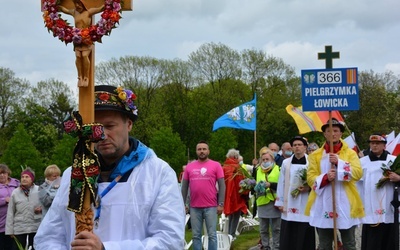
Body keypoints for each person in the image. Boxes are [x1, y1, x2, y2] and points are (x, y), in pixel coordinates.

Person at [34, 85, 185, 249]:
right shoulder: (74, 174)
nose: (102, 135)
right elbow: (47, 238)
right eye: (95, 128)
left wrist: (107, 248)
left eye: (110, 126)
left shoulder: (157, 173)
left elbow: (170, 240)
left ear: (128, 124)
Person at [305, 118, 364, 250]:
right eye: (329, 131)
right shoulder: (315, 155)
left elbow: (358, 173)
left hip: (346, 202)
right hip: (323, 203)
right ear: (324, 133)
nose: (332, 134)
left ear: (341, 133)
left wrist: (340, 163)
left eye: (336, 130)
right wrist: (326, 177)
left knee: (349, 243)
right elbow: (310, 178)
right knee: (324, 244)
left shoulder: (350, 153)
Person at [181, 141, 226, 250]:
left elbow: (222, 185)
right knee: (196, 235)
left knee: (212, 235)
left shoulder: (216, 165)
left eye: (204, 149)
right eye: (199, 149)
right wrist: (182, 204)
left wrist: (221, 203)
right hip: (194, 206)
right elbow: (184, 187)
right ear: (196, 151)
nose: (202, 151)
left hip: (211, 206)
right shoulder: (189, 167)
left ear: (208, 151)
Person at [275, 136, 315, 250]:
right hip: (289, 202)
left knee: (305, 234)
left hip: (305, 201)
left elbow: (315, 179)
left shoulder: (311, 162)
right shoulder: (286, 163)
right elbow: (281, 182)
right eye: (295, 145)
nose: (297, 147)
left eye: (299, 145)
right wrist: (280, 202)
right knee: (289, 234)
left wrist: (309, 187)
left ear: (305, 147)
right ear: (292, 148)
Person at [359, 134, 398, 250]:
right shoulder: (362, 162)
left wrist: (398, 178)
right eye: (372, 143)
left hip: (389, 204)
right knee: (372, 241)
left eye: (378, 143)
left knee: (389, 239)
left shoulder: (393, 160)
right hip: (370, 204)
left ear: (384, 145)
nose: (374, 145)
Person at [58, 0, 104, 87]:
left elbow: (100, 8)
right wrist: (53, 5)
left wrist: (111, 3)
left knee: (84, 56)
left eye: (79, 4)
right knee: (78, 56)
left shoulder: (88, 12)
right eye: (75, 4)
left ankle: (86, 77)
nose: (77, 6)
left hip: (87, 38)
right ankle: (80, 77)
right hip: (77, 38)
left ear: (83, 4)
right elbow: (64, 10)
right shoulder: (74, 12)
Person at [6, 167, 41, 250]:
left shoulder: (39, 190)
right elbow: (10, 212)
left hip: (35, 227)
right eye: (22, 177)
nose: (24, 179)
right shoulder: (15, 192)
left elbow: (46, 205)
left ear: (32, 179)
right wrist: (10, 231)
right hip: (19, 228)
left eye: (27, 177)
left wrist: (41, 209)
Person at [252, 149, 281, 250]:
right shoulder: (257, 170)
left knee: (276, 228)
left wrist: (270, 184)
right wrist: (251, 185)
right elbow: (253, 185)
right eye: (263, 159)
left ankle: (277, 246)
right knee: (263, 228)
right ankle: (265, 246)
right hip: (262, 202)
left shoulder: (279, 169)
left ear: (272, 159)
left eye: (267, 159)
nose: (265, 161)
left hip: (275, 202)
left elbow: (282, 186)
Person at [222, 149, 248, 239]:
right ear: (236, 157)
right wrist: (246, 192)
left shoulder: (224, 167)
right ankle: (231, 234)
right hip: (237, 195)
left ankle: (228, 234)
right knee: (236, 214)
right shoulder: (238, 168)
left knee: (230, 215)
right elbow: (242, 183)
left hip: (226, 195)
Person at [0, 164, 20, 250]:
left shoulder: (17, 183)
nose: (2, 175)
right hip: (1, 223)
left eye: (3, 173)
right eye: (0, 173)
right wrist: (4, 200)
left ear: (8, 173)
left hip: (17, 222)